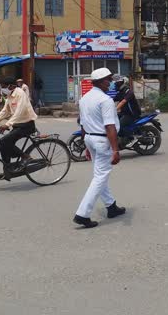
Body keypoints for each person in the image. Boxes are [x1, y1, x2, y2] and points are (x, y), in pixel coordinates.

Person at [73, 68, 125, 228]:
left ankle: (111, 206)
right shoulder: (105, 100)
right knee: (100, 177)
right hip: (102, 140)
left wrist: (86, 145)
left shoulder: (84, 99)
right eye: (108, 80)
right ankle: (82, 214)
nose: (110, 83)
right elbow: (110, 126)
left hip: (89, 137)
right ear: (101, 81)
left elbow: (82, 124)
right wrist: (116, 150)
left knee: (99, 175)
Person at [0, 77, 38, 177]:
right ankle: (7, 169)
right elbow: (5, 111)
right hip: (18, 124)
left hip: (27, 124)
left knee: (4, 141)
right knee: (3, 144)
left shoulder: (20, 93)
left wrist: (7, 124)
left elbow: (19, 112)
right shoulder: (10, 96)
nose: (2, 88)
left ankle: (25, 157)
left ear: (11, 86)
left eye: (3, 86)